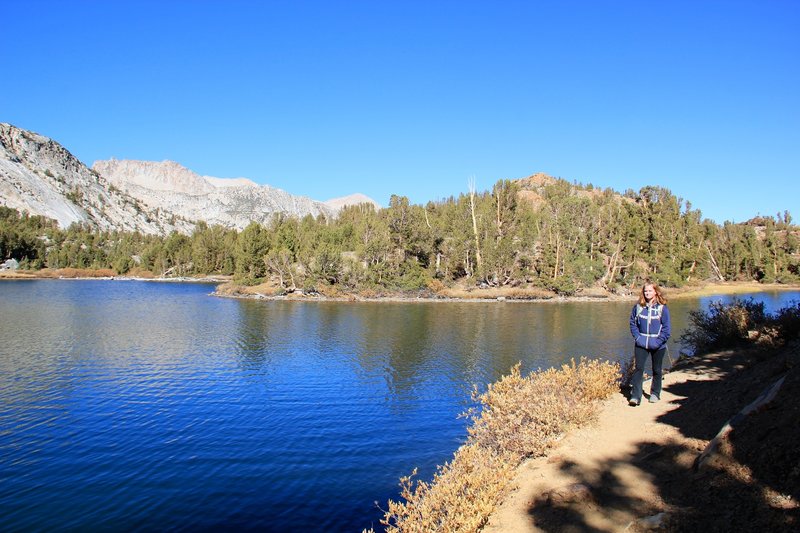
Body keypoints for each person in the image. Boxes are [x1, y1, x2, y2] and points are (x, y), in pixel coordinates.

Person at [628, 281, 671, 406]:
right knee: (639, 368)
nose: (647, 293)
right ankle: (636, 396)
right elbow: (632, 324)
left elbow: (666, 329)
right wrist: (638, 338)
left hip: (658, 345)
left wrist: (658, 341)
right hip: (641, 343)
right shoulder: (638, 307)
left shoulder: (662, 308)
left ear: (655, 292)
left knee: (656, 369)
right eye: (645, 291)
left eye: (650, 291)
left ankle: (655, 393)